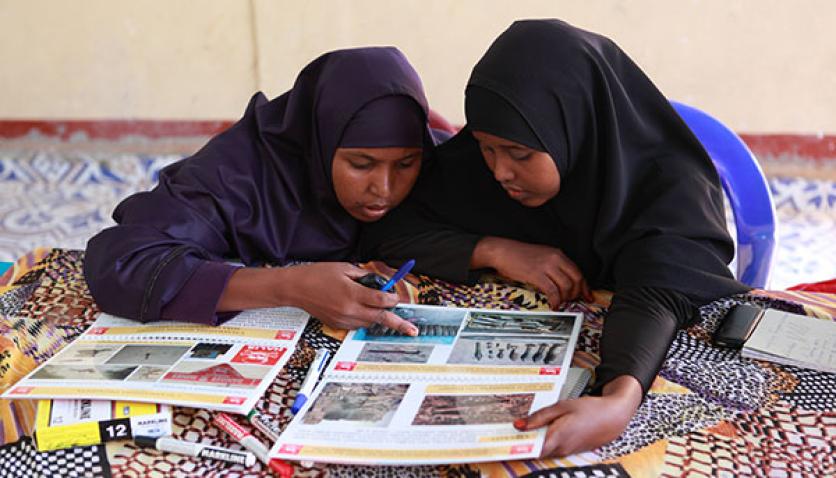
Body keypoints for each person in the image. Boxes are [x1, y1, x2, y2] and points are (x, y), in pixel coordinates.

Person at [360, 20, 750, 456]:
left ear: (575, 126)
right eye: (488, 147)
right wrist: (494, 249)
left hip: (639, 337)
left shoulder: (667, 184)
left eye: (520, 154)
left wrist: (618, 399)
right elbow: (392, 227)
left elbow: (658, 290)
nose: (499, 171)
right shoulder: (480, 165)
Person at [84, 47, 436, 336]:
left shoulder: (430, 159)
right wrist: (288, 287)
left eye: (405, 164)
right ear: (321, 138)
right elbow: (123, 263)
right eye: (361, 164)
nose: (384, 188)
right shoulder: (236, 174)